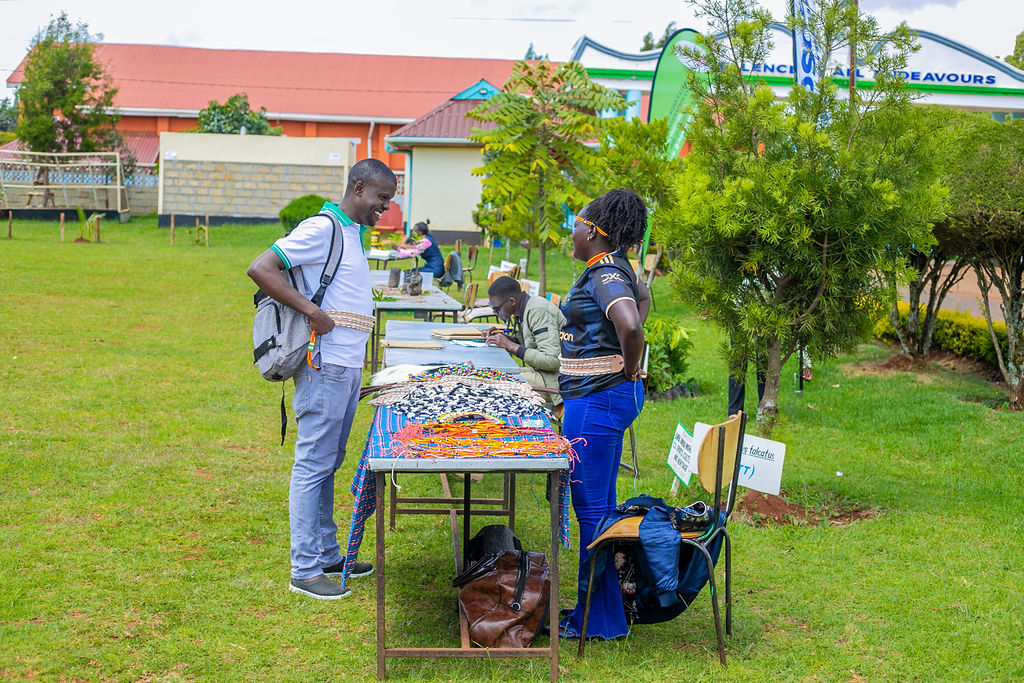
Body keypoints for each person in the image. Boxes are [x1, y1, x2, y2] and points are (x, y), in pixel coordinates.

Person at [246, 158, 397, 600]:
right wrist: (312, 311)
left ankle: (328, 553)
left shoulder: (351, 232)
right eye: (381, 198)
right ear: (358, 188)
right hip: (323, 364)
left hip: (345, 365)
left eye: (389, 200)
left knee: (329, 462)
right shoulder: (322, 228)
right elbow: (261, 267)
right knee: (313, 464)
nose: (385, 207)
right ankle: (305, 569)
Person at [557, 189, 650, 640]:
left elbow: (630, 324)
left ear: (593, 231)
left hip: (597, 399)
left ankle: (594, 619)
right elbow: (643, 298)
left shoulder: (606, 272)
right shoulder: (616, 268)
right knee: (601, 507)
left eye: (575, 225)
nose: (571, 233)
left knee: (591, 510)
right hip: (601, 397)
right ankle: (604, 614)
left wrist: (628, 368)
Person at [483, 275, 566, 409]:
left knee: (494, 385)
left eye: (496, 309)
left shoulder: (537, 311)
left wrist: (511, 345)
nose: (495, 313)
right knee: (490, 376)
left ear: (511, 301)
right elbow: (532, 344)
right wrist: (509, 339)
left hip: (555, 380)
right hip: (542, 373)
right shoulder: (524, 308)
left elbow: (552, 360)